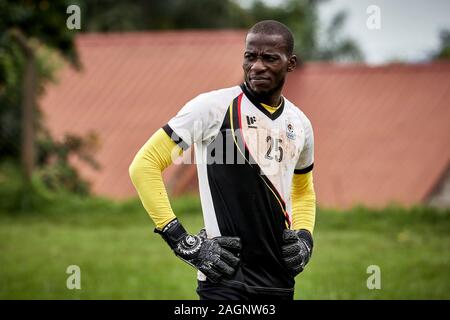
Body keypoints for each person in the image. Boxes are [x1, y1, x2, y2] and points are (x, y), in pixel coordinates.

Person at [129, 20, 316, 300]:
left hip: (279, 281)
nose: (257, 66)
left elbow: (303, 190)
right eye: (250, 56)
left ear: (290, 63)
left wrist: (305, 238)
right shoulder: (211, 108)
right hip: (225, 279)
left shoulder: (300, 123)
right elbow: (144, 165)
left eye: (269, 58)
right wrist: (181, 241)